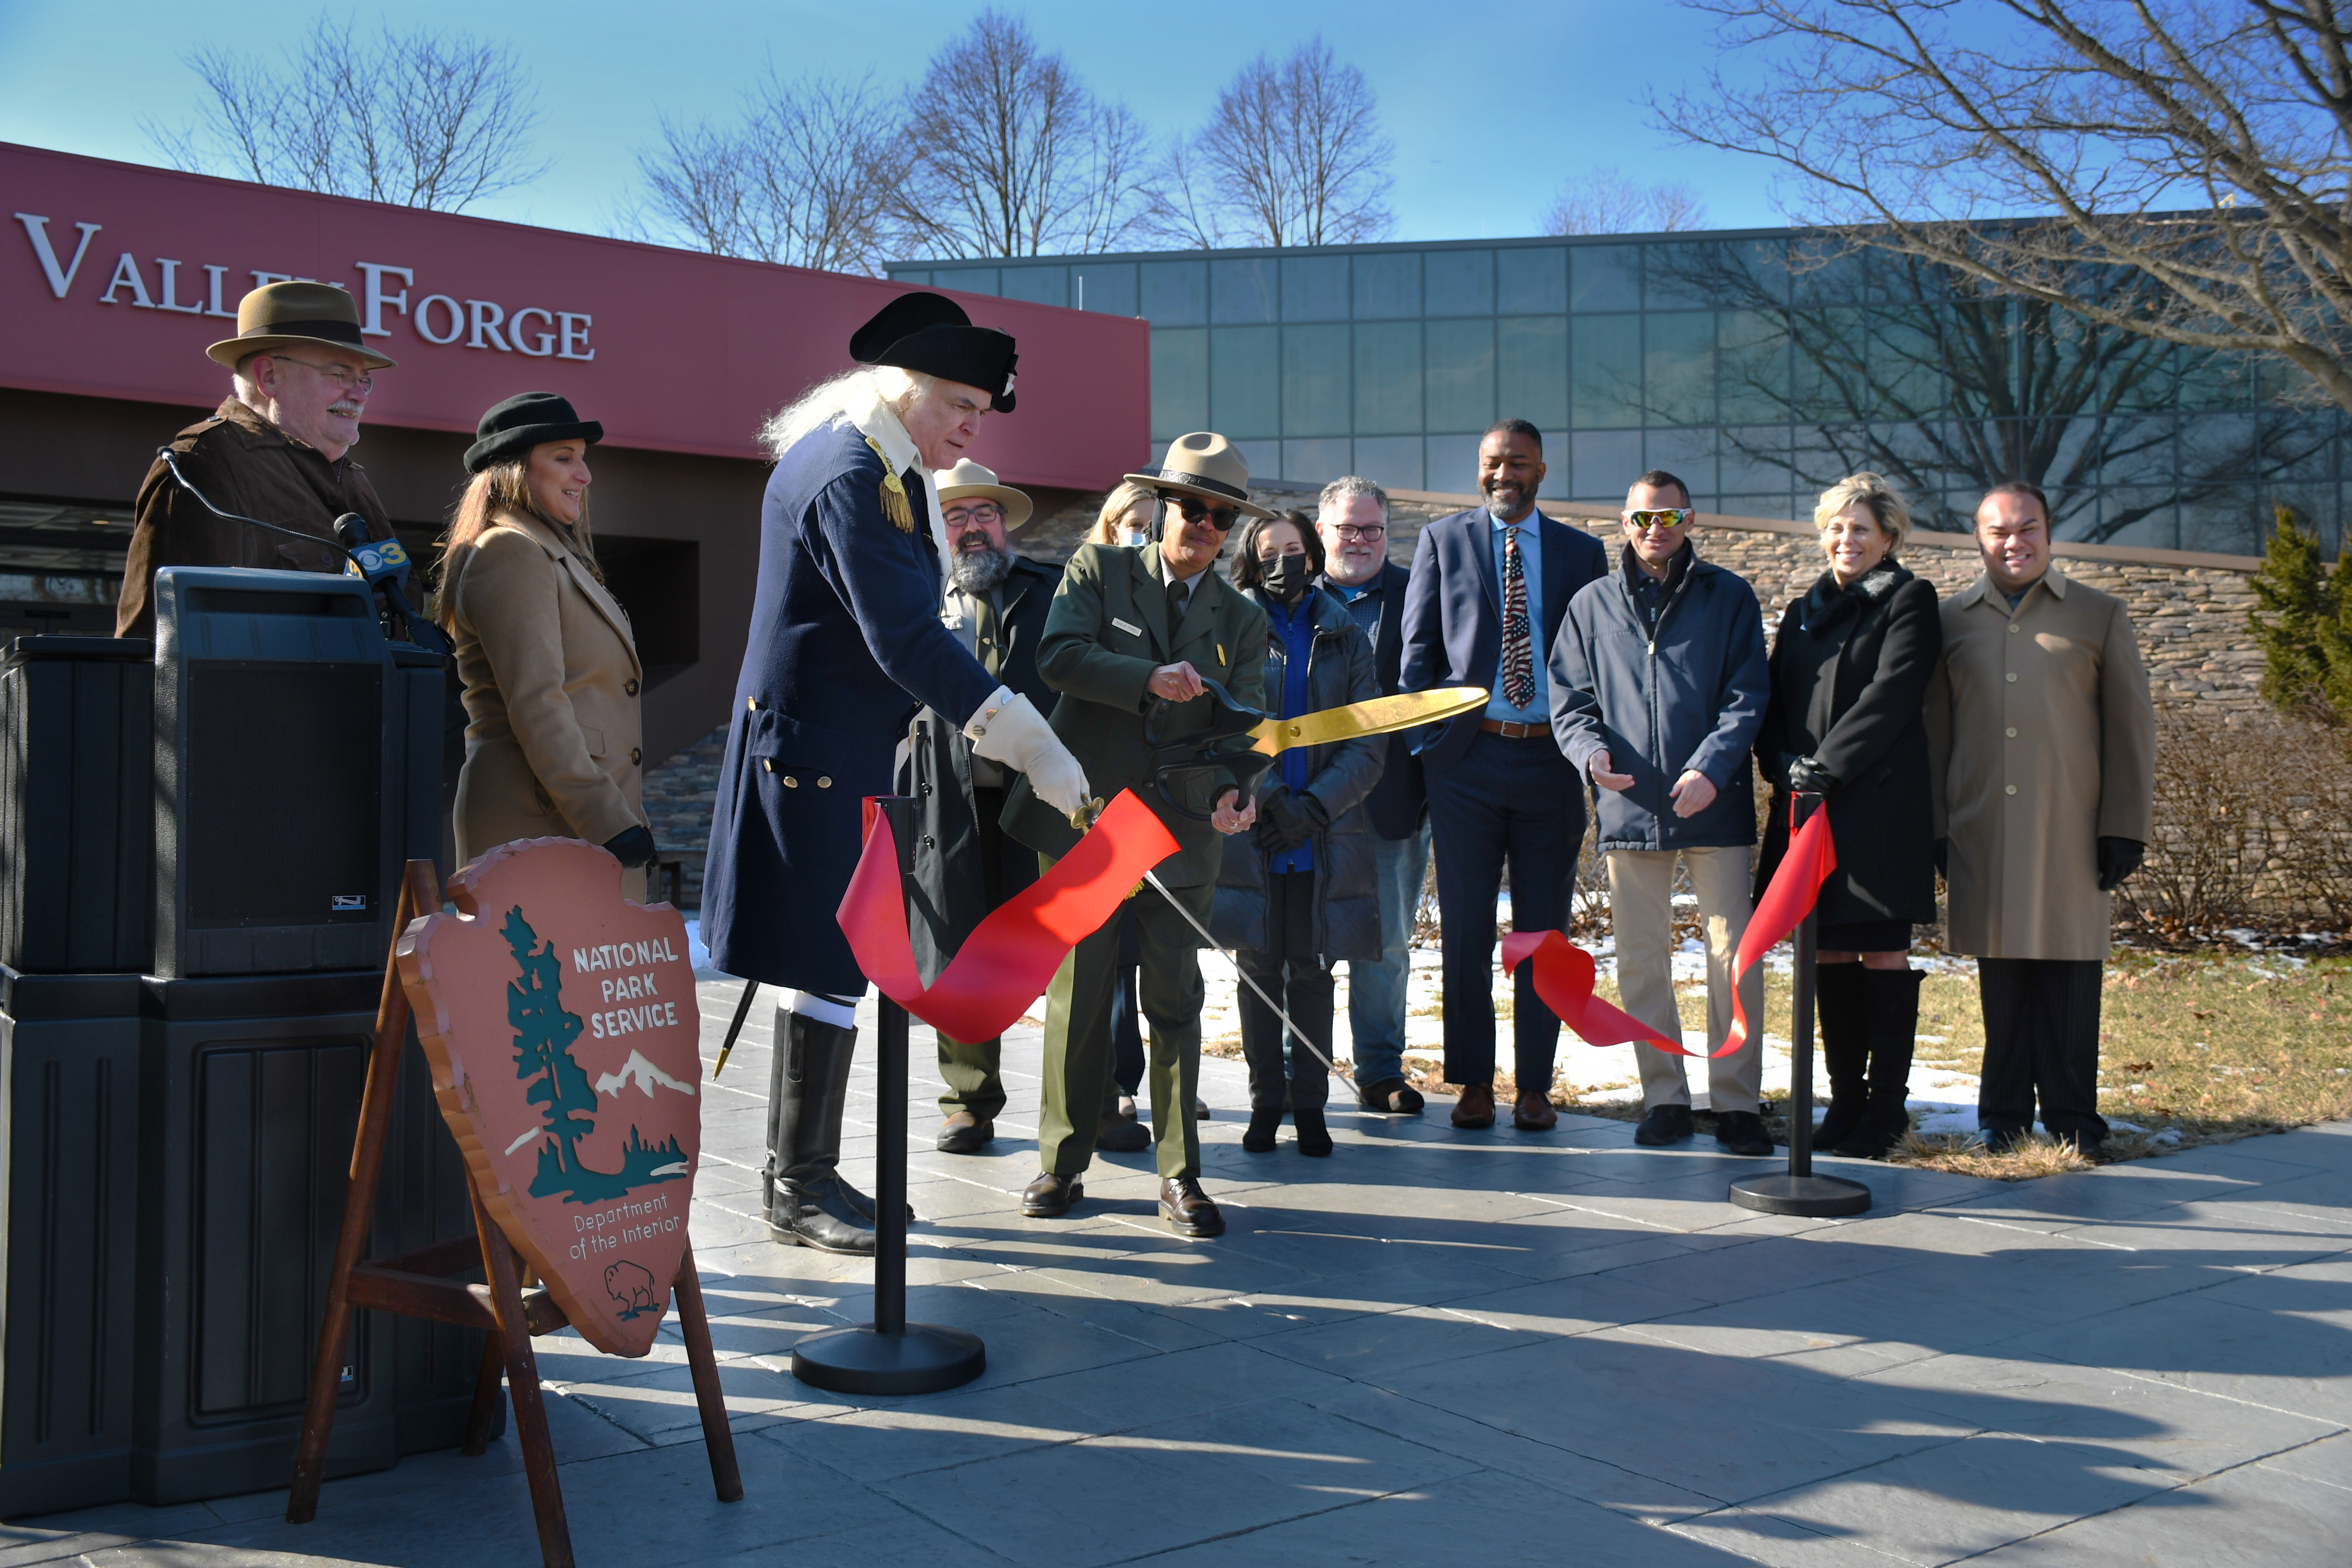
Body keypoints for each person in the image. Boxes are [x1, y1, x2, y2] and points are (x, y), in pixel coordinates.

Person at [702, 292, 1089, 1255]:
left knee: (830, 965)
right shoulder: (849, 469)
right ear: (905, 384)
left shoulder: (877, 459)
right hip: (815, 757)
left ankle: (805, 1172)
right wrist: (1031, 740)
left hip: (832, 752)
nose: (971, 427)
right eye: (961, 405)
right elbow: (906, 639)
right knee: (826, 959)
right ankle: (795, 1184)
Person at [1001, 432, 1270, 1238]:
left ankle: (1180, 1173)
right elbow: (1056, 657)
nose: (1202, 524)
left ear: (1231, 531)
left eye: (1220, 516)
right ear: (1162, 506)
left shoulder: (1242, 619)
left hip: (1184, 831)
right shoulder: (1098, 571)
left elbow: (1247, 731)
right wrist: (1144, 678)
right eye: (1191, 506)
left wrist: (1235, 793)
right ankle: (1061, 1161)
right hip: (1089, 820)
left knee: (1176, 1000)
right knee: (1079, 997)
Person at [1926, 480, 2154, 1157]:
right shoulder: (1950, 621)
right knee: (2003, 977)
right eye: (1998, 531)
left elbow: (2131, 728)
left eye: (2027, 529)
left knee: (2071, 973)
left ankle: (2072, 1117)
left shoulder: (2099, 615)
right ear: (1978, 538)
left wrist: (2125, 824)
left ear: (2050, 535)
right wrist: (1937, 825)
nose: (2013, 542)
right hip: (1983, 826)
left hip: (2071, 826)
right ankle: (2002, 1116)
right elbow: (1934, 732)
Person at [1549, 470, 1774, 1156]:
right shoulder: (1590, 605)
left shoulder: (1728, 596)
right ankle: (1664, 1098)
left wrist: (1711, 767)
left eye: (1668, 517)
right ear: (1623, 522)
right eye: (1642, 518)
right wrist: (1588, 753)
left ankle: (1736, 1102)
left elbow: (1746, 696)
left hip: (1715, 804)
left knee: (1730, 961)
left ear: (1689, 520)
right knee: (1643, 962)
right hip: (1628, 805)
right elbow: (1570, 702)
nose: (1654, 529)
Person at [1399, 420, 1608, 1132]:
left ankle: (1534, 1086)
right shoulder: (1442, 541)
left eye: (1516, 464)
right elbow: (1417, 655)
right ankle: (1472, 1082)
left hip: (1551, 759)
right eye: (1492, 463)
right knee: (1463, 927)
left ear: (1540, 471)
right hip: (1466, 762)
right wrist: (1430, 751)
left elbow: (1598, 663)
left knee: (1541, 933)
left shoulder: (1583, 553)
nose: (1501, 475)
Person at [1754, 473, 1942, 1159]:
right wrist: (1779, 764)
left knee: (1880, 952)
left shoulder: (1908, 599)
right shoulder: (1804, 608)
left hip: (1877, 810)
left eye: (1859, 528)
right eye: (1835, 527)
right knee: (1826, 950)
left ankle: (1887, 1108)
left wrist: (1826, 765)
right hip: (1806, 810)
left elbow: (1891, 696)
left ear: (1887, 536)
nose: (1845, 539)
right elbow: (1773, 696)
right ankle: (1845, 1101)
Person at [897, 460, 1068, 1155]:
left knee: (1064, 950)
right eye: (955, 517)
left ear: (1004, 523)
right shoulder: (910, 599)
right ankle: (968, 1100)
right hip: (946, 802)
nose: (972, 529)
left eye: (983, 515)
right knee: (958, 950)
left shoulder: (1053, 590)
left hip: (1042, 803)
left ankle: (1088, 1097)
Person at [1212, 509, 1383, 1157]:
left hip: (1322, 834)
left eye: (1294, 549)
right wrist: (1274, 798)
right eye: (1268, 551)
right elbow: (1225, 722)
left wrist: (1313, 807)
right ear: (1253, 563)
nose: (1283, 561)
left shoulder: (1346, 636)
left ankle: (1310, 1106)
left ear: (1313, 555)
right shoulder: (1232, 627)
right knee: (1258, 969)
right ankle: (1264, 1105)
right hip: (1255, 829)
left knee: (1312, 971)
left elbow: (1368, 740)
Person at [436, 393, 655, 896]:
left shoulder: (555, 555)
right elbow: (538, 703)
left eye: (583, 458)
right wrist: (610, 822)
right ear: (515, 470)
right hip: (539, 821)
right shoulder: (509, 550)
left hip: (572, 821)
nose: (585, 475)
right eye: (564, 458)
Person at [118, 280, 396, 637]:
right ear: (269, 376)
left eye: (364, 380)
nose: (359, 395)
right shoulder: (202, 467)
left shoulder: (354, 480)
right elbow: (161, 653)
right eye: (340, 375)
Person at [1314, 476, 1428, 1116]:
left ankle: (1381, 1072)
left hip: (1392, 803)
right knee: (1302, 942)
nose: (1359, 540)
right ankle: (1296, 1067)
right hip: (1306, 802)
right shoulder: (1292, 596)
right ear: (1322, 530)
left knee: (1384, 944)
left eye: (1372, 529)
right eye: (1347, 528)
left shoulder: (1419, 596)